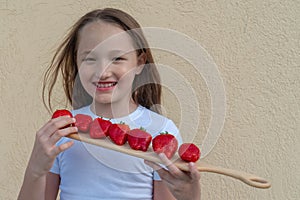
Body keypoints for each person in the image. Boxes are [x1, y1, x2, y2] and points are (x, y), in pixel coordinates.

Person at [18, 8, 201, 200]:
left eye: (117, 58)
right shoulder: (64, 130)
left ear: (140, 63)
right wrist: (35, 171)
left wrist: (190, 196)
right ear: (77, 63)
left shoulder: (161, 131)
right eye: (90, 59)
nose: (103, 72)